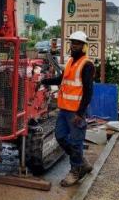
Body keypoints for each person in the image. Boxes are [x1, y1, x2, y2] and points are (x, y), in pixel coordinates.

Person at [40, 30, 95, 186]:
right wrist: (44, 81)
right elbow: (61, 79)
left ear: (84, 46)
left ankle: (75, 171)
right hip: (64, 109)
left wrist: (80, 113)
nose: (74, 46)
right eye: (72, 43)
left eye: (77, 43)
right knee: (60, 136)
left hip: (76, 112)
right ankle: (82, 162)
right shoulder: (70, 62)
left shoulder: (87, 65)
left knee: (76, 142)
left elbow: (88, 91)